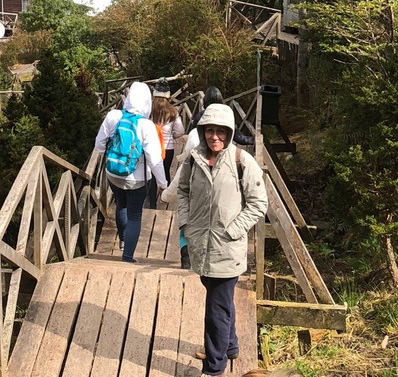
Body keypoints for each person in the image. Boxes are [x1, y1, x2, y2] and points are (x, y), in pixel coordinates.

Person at [178, 103, 268, 377]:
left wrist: (233, 230)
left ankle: (213, 369)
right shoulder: (193, 159)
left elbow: (258, 203)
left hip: (227, 248)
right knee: (221, 300)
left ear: (229, 133)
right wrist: (186, 223)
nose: (214, 137)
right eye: (209, 131)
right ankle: (229, 346)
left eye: (220, 131)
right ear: (203, 131)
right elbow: (182, 190)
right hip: (201, 246)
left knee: (215, 311)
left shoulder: (242, 161)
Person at [94, 81, 167, 263]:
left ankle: (123, 241)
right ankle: (127, 258)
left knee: (121, 204)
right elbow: (155, 159)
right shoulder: (146, 125)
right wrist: (163, 184)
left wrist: (114, 158)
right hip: (138, 180)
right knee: (135, 215)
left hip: (113, 175)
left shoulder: (113, 116)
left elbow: (99, 145)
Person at [147, 86, 185, 208]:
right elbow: (180, 131)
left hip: (150, 146)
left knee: (151, 174)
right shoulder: (173, 111)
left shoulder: (148, 108)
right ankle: (165, 200)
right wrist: (171, 136)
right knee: (166, 171)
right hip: (167, 148)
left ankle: (151, 202)